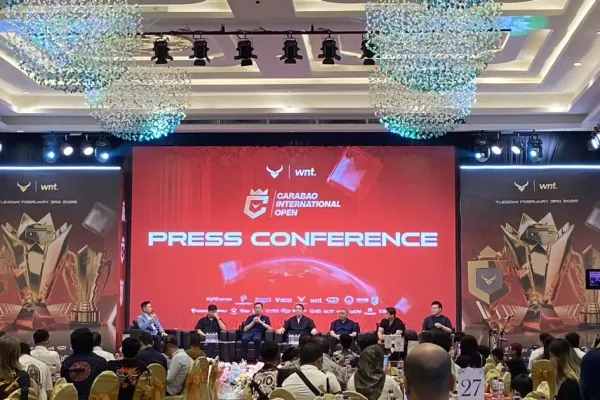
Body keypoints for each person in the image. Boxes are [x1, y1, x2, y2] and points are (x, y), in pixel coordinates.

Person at [61, 328, 108, 400]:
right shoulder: (100, 362)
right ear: (91, 343)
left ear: (72, 344)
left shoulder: (66, 363)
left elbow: (63, 388)